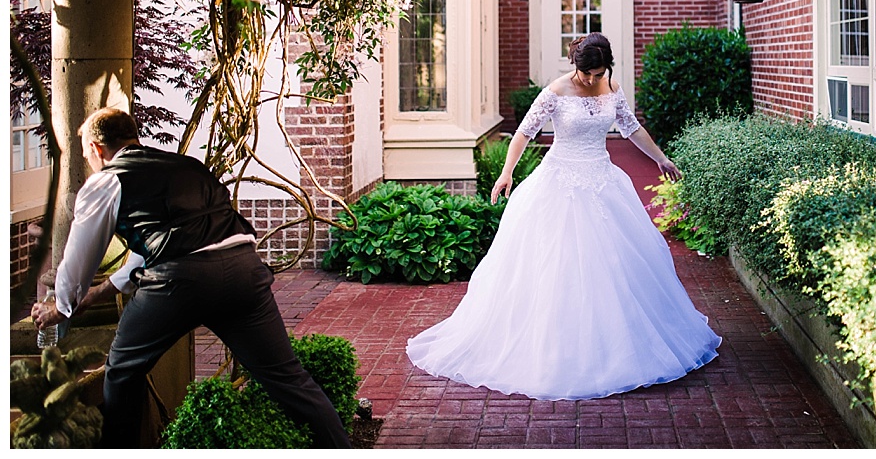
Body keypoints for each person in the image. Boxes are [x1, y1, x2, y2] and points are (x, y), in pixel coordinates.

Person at [406, 32, 720, 400]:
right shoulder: (556, 91)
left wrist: (661, 158)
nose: (592, 80)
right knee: (557, 265)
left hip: (603, 182)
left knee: (614, 264)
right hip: (560, 182)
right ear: (576, 65)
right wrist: (507, 172)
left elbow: (631, 128)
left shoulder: (611, 87)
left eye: (598, 74)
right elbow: (524, 133)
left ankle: (615, 341)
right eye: (587, 74)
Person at [31, 107, 351, 449]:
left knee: (123, 370)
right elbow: (156, 244)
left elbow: (79, 259)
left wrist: (61, 308)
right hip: (243, 271)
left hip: (179, 282)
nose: (90, 162)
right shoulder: (187, 166)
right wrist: (97, 294)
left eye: (86, 155)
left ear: (96, 148)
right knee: (287, 378)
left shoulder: (107, 180)